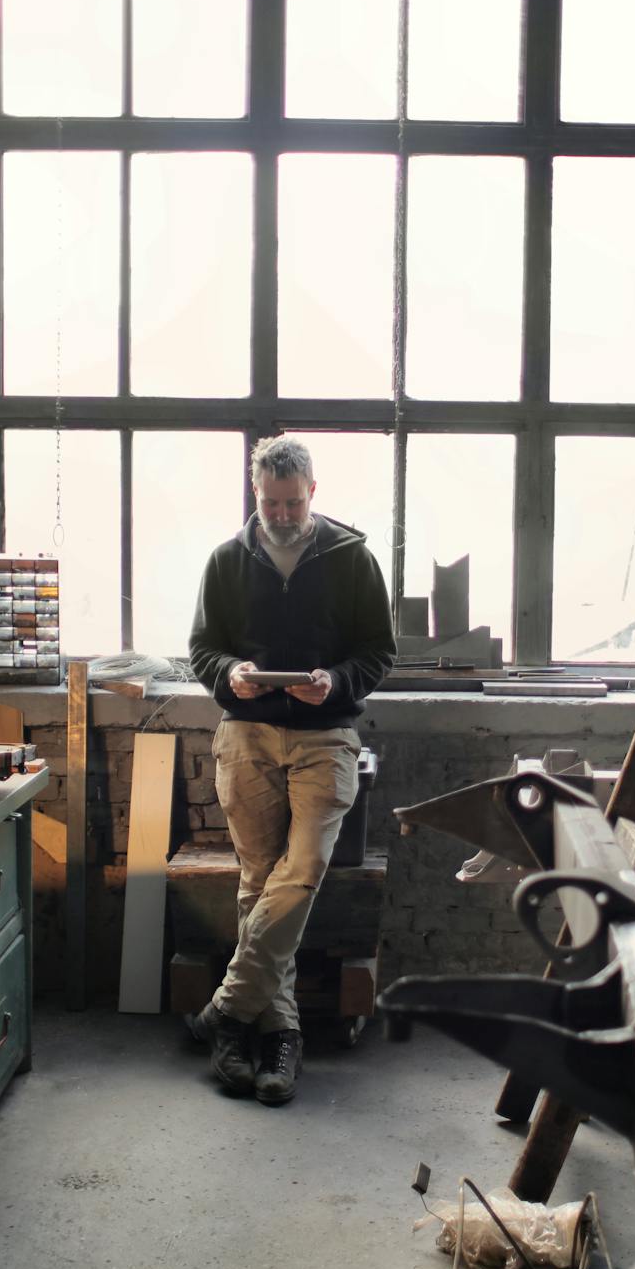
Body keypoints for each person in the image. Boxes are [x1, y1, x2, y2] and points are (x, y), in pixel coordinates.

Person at [184, 435, 396, 1105]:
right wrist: (231, 673)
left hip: (325, 737)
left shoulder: (351, 557)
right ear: (256, 493)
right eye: (270, 501)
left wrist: (332, 681)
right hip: (245, 733)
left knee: (300, 871)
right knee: (258, 878)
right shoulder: (225, 560)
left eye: (292, 500)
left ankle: (227, 1008)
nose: (280, 512)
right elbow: (201, 648)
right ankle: (275, 1035)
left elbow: (378, 653)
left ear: (313, 490)